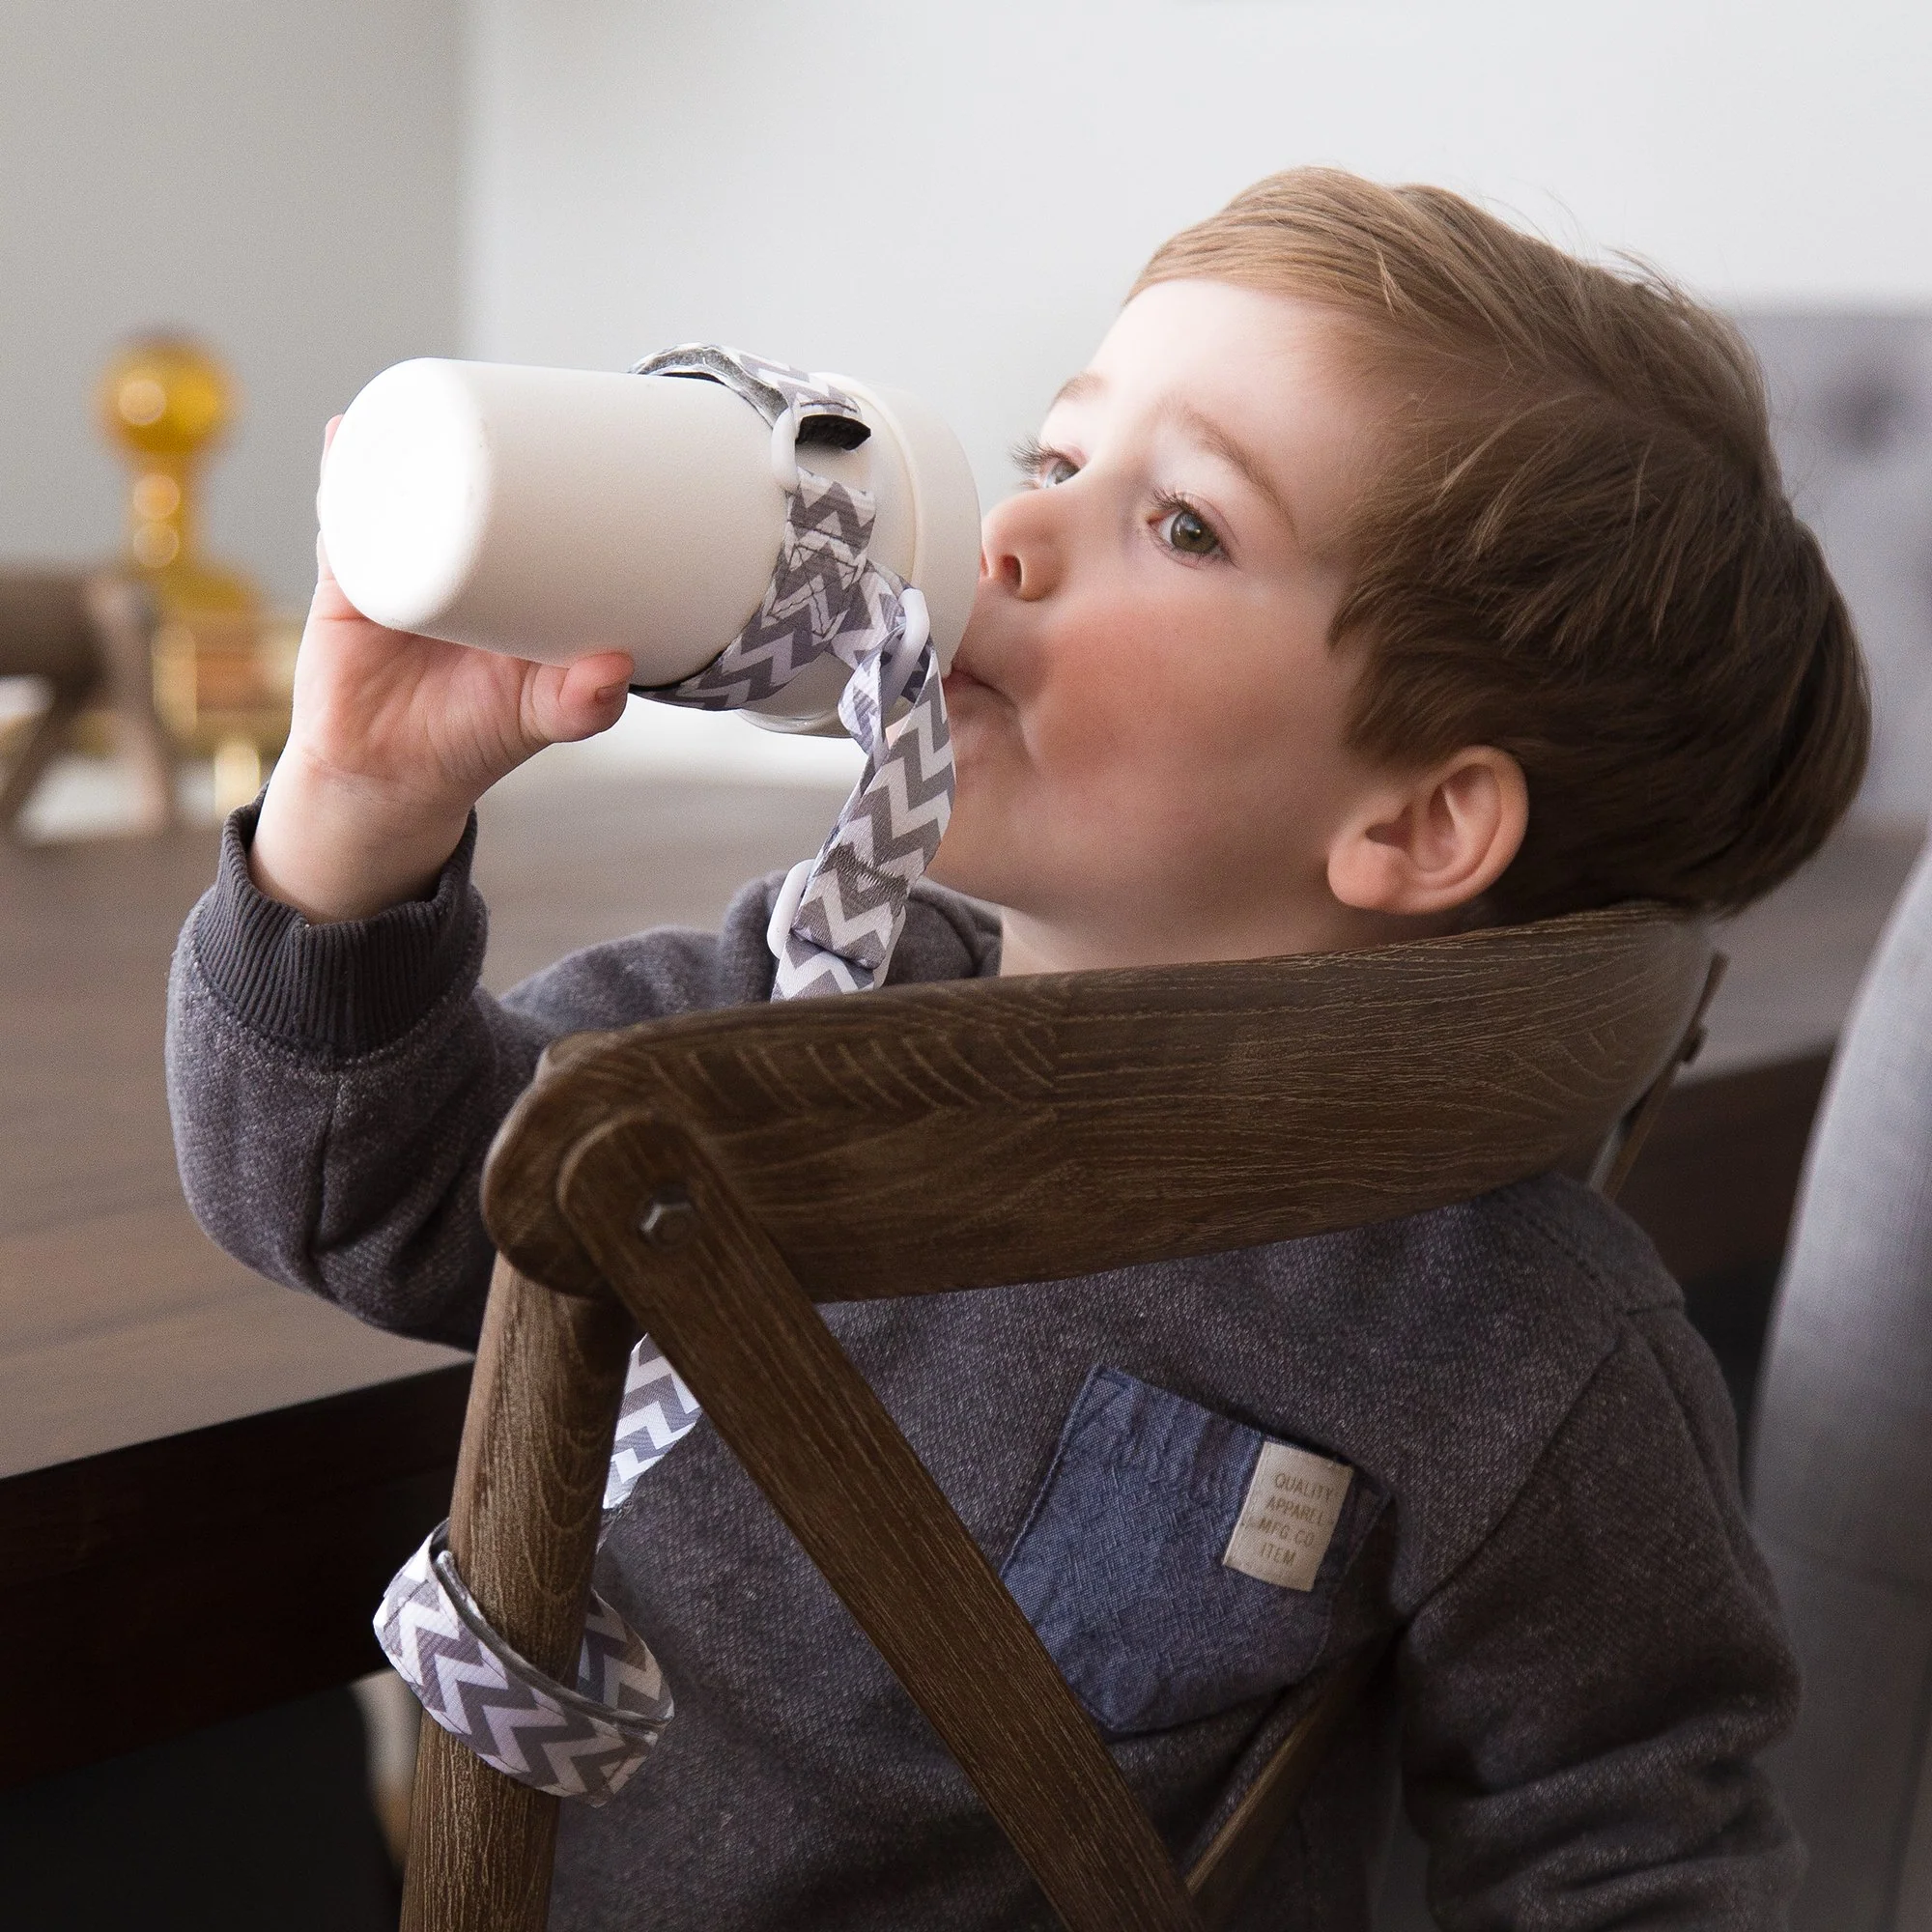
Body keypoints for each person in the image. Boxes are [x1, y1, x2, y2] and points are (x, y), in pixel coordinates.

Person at [166, 170, 1868, 1928]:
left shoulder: (1509, 1334)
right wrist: (355, 806)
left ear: (1418, 823)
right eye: (1055, 456)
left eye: (1185, 524)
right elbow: (360, 1198)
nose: (1008, 534)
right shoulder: (784, 1015)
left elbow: (1633, 1860)